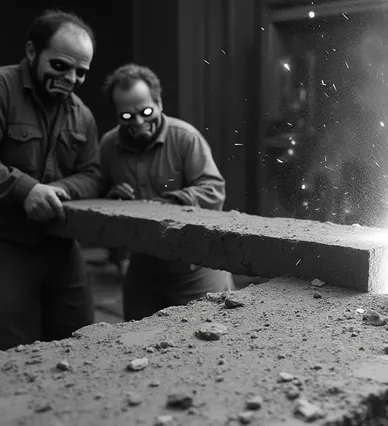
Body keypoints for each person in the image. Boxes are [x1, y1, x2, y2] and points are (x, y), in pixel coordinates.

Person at [98, 63, 233, 321]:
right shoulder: (108, 146)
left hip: (195, 266)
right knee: (137, 339)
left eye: (145, 111)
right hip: (142, 267)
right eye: (127, 116)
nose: (138, 122)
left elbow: (214, 190)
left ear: (159, 102)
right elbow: (99, 191)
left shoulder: (185, 138)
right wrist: (113, 199)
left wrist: (168, 203)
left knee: (209, 337)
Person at [0, 11, 101, 350]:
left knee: (78, 340)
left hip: (61, 245)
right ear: (31, 51)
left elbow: (93, 173)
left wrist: (58, 191)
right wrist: (24, 189)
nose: (71, 78)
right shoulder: (2, 88)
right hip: (6, 242)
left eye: (81, 72)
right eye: (60, 66)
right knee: (14, 349)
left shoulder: (81, 114)